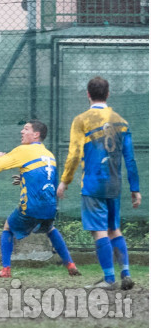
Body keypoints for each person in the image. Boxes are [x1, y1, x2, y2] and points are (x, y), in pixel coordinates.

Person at [57, 76, 141, 291]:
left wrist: (65, 181)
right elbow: (129, 158)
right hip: (115, 183)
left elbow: (75, 153)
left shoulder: (82, 119)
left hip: (93, 183)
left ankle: (109, 279)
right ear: (108, 93)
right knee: (115, 228)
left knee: (99, 231)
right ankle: (126, 273)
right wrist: (135, 188)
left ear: (88, 94)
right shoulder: (121, 120)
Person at [0, 120, 80, 278]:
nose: (22, 132)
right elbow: (45, 179)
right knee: (50, 229)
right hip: (50, 206)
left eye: (26, 129)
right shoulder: (49, 155)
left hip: (31, 206)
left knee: (7, 228)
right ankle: (70, 264)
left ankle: (6, 269)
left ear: (36, 135)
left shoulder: (24, 150)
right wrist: (23, 179)